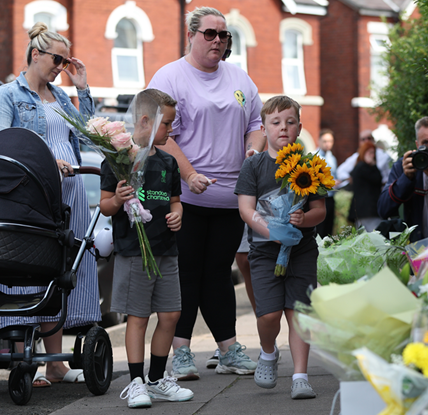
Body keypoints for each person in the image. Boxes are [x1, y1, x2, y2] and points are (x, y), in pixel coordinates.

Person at [147, 6, 263, 380]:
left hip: (231, 198)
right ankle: (181, 353)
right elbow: (161, 136)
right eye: (210, 34)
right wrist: (190, 174)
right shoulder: (170, 76)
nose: (218, 40)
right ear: (191, 36)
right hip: (184, 199)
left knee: (218, 273)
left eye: (224, 35)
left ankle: (228, 349)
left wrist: (253, 150)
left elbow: (257, 124)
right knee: (186, 273)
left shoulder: (239, 78)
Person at [0, 22, 100, 387]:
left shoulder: (61, 96)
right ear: (36, 54)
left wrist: (82, 87)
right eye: (57, 59)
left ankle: (55, 363)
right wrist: (49, 162)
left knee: (62, 268)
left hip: (70, 190)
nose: (61, 66)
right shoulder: (7, 94)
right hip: (33, 191)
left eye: (66, 60)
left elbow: (88, 133)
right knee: (30, 266)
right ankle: (27, 359)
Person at [101, 89, 193, 408]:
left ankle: (156, 380)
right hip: (134, 251)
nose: (171, 130)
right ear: (145, 120)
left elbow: (176, 202)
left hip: (166, 250)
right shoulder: (117, 160)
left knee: (171, 314)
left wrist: (177, 215)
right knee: (137, 317)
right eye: (167, 124)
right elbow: (105, 206)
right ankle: (137, 383)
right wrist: (117, 199)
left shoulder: (167, 161)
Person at [235, 95, 324, 400]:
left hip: (302, 250)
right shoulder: (254, 165)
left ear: (299, 127)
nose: (283, 128)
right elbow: (245, 208)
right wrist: (270, 230)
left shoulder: (310, 166)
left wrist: (302, 218)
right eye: (275, 122)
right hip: (264, 250)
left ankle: (300, 375)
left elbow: (320, 211)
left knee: (298, 310)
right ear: (263, 128)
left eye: (289, 122)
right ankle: (268, 351)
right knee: (269, 315)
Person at [348, 140, 383, 232]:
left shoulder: (359, 167)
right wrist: (374, 166)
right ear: (364, 153)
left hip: (363, 211)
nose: (373, 155)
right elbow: (377, 179)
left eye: (373, 153)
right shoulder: (363, 168)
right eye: (370, 152)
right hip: (368, 210)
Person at [316, 129, 337, 238]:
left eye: (330, 141)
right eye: (325, 141)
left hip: (331, 197)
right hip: (320, 198)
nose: (328, 144)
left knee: (329, 231)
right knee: (320, 230)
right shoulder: (315, 157)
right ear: (318, 141)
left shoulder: (332, 158)